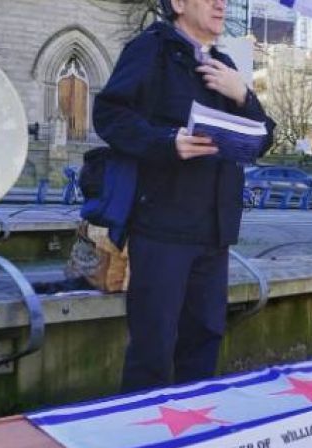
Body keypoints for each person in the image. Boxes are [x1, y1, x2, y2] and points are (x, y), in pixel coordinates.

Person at [93, 0, 275, 393]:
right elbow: (109, 115)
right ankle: (142, 443)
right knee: (153, 350)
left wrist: (243, 94)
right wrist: (165, 142)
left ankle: (191, 439)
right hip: (163, 229)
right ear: (177, 3)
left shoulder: (226, 65)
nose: (220, 3)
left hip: (215, 232)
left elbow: (264, 139)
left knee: (205, 341)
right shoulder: (151, 48)